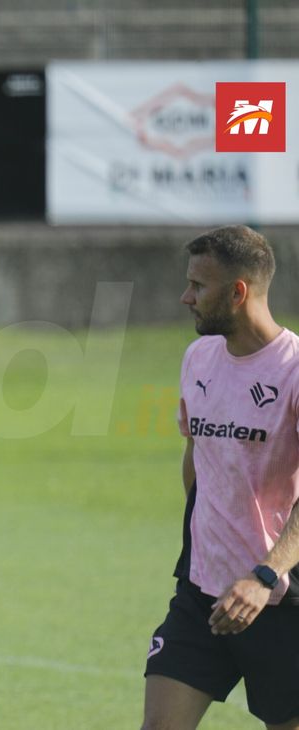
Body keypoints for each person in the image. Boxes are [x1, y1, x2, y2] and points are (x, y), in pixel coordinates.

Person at [142, 225, 299, 730]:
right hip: (201, 592)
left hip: (280, 598)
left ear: (238, 292)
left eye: (198, 286)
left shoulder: (293, 371)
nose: (185, 297)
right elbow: (198, 458)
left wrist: (263, 575)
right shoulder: (198, 358)